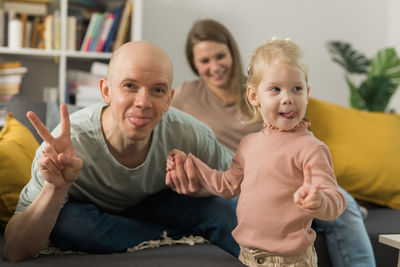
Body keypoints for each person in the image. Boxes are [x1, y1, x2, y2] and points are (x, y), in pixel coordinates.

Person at [2, 41, 239, 262]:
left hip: (155, 207)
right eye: (129, 86)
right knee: (68, 224)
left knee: (222, 209)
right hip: (89, 214)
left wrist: (205, 187)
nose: (143, 102)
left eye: (157, 90)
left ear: (169, 99)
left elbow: (242, 186)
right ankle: (178, 235)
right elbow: (14, 251)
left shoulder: (190, 134)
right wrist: (55, 188)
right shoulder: (67, 145)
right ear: (106, 91)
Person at [171, 19, 376, 266]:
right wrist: (193, 165)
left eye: (219, 56)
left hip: (288, 176)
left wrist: (322, 199)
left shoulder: (268, 83)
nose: (214, 66)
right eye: (204, 60)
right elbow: (226, 182)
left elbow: (297, 142)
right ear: (254, 97)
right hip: (246, 181)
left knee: (340, 202)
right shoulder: (187, 96)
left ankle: (332, 208)